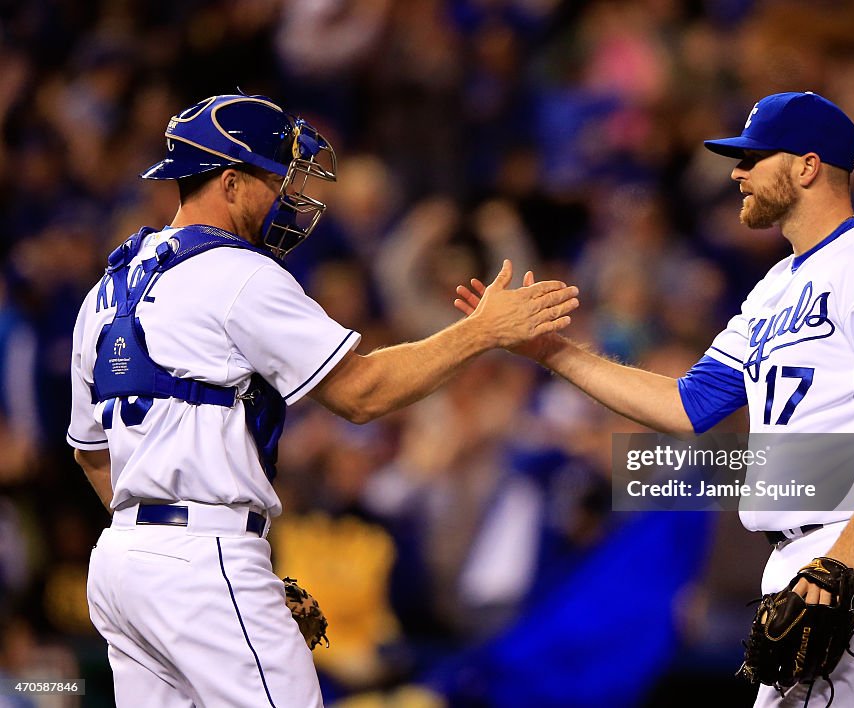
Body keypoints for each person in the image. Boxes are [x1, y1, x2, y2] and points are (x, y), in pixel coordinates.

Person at [66, 92, 578, 708]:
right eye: (274, 176)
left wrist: (164, 535)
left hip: (122, 565)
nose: (286, 194)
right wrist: (481, 331)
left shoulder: (107, 289)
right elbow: (362, 393)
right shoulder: (237, 272)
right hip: (200, 563)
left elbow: (93, 455)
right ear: (230, 182)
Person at [455, 91, 854, 707]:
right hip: (801, 551)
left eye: (754, 157)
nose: (737, 173)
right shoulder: (775, 286)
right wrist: (554, 354)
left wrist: (841, 562)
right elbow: (689, 405)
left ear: (807, 166)